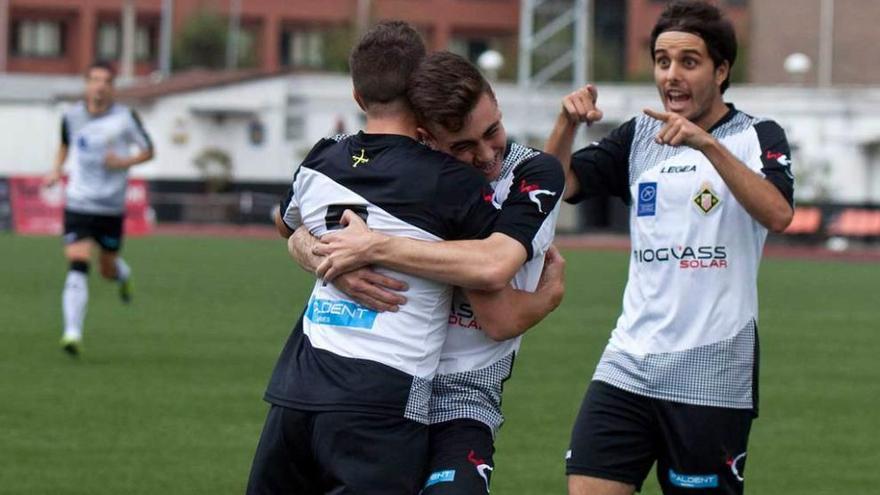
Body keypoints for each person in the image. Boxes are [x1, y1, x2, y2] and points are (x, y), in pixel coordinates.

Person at [246, 22, 559, 495]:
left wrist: (365, 248)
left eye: (492, 131)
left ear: (357, 95)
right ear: (422, 123)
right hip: (382, 397)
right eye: (463, 146)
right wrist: (551, 295)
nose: (485, 156)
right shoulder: (448, 184)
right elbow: (496, 289)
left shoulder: (322, 159)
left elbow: (285, 220)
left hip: (333, 388)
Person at [544, 1, 795, 494]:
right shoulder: (638, 135)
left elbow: (778, 213)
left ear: (721, 70)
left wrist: (707, 145)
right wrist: (566, 125)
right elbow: (557, 186)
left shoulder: (757, 135)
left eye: (689, 62)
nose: (672, 76)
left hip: (712, 371)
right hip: (629, 361)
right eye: (663, 62)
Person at [45, 61, 154, 356]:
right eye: (94, 79)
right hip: (78, 202)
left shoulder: (125, 118)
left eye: (106, 80)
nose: (99, 85)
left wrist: (123, 162)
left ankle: (122, 274)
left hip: (110, 206)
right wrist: (56, 170)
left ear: (112, 87)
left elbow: (148, 150)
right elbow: (65, 145)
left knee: (106, 269)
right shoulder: (71, 116)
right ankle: (72, 332)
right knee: (78, 263)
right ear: (86, 84)